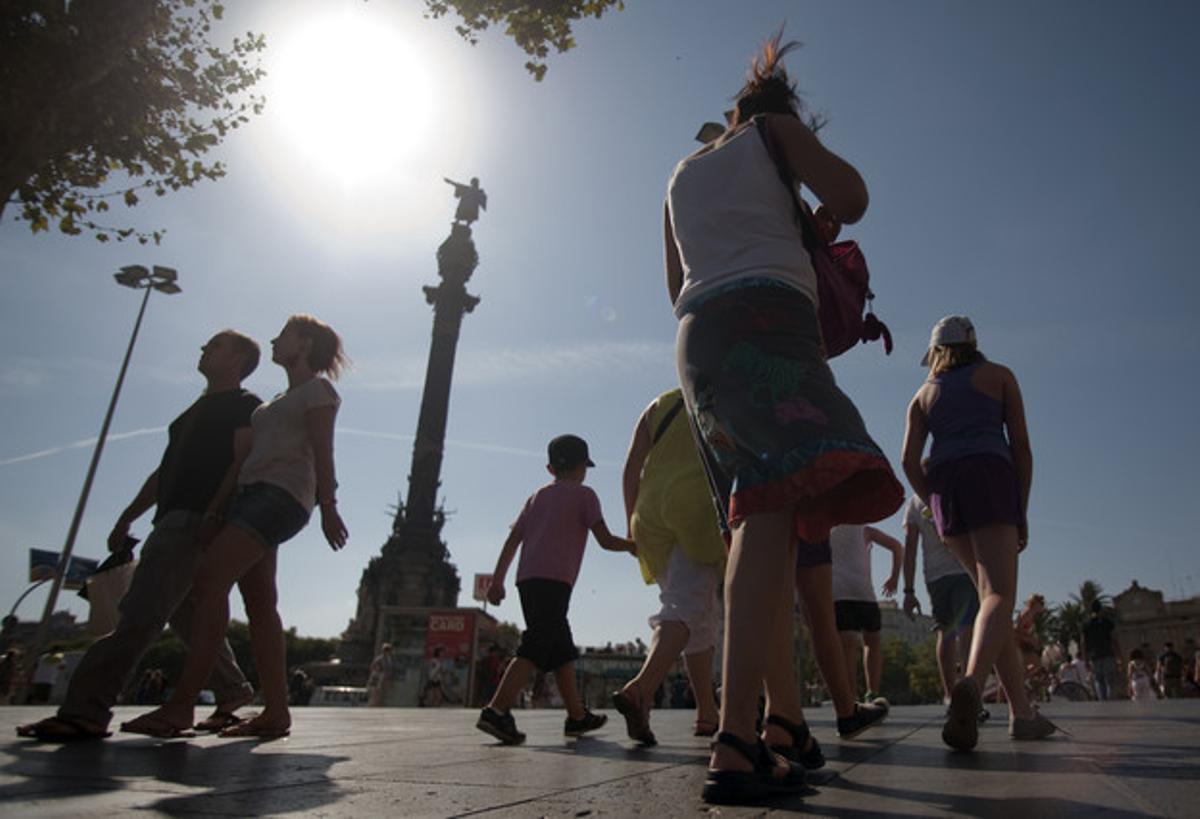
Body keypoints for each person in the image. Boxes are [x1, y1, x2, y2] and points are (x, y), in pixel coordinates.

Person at [665, 32, 904, 803]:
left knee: (754, 519)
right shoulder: (777, 131)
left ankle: (777, 723)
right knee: (770, 509)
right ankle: (738, 737)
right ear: (778, 112)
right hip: (768, 322)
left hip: (697, 341)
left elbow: (677, 281)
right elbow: (857, 195)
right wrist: (814, 213)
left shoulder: (681, 172)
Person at [17, 331, 261, 742]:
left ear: (238, 359)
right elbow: (164, 472)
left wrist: (215, 512)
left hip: (193, 520)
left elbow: (240, 464)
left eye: (215, 345)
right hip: (173, 518)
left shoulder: (245, 406)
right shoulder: (192, 414)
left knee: (140, 612)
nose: (203, 348)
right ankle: (233, 687)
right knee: (187, 615)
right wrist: (128, 516)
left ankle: (85, 710)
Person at [121, 314, 349, 739]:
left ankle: (181, 705)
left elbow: (323, 450)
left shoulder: (318, 391)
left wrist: (329, 505)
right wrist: (217, 509)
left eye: (283, 335)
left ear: (305, 344)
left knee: (208, 581)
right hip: (249, 499)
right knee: (260, 605)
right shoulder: (269, 405)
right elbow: (241, 461)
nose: (275, 340)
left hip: (280, 497)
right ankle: (276, 712)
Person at [901, 314, 1058, 751]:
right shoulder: (999, 375)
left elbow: (908, 461)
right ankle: (970, 684)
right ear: (973, 344)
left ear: (936, 352)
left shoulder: (922, 395)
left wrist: (931, 501)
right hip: (990, 475)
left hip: (946, 487)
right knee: (998, 595)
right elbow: (1021, 446)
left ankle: (1021, 713)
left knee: (992, 603)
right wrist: (1020, 508)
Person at [475, 434, 637, 745]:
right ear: (583, 467)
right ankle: (496, 710)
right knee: (536, 646)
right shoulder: (585, 495)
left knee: (561, 648)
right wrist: (634, 547)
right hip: (555, 582)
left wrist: (497, 580)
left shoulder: (536, 497)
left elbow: (513, 541)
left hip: (527, 581)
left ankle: (577, 717)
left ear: (550, 468)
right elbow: (604, 540)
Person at [612, 388, 725, 746]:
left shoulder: (657, 405)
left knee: (698, 616)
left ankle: (707, 713)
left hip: (650, 514)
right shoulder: (722, 398)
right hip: (695, 508)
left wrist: (631, 522)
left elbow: (631, 467)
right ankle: (642, 689)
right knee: (686, 609)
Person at [901, 494, 980, 707]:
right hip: (964, 568)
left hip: (935, 576)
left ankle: (950, 695)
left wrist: (908, 590)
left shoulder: (914, 503)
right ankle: (969, 693)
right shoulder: (952, 484)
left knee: (945, 631)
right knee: (966, 629)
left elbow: (910, 548)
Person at [830, 524, 902, 705]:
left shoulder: (862, 529)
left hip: (854, 594)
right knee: (861, 642)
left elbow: (896, 546)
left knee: (863, 642)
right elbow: (896, 546)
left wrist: (894, 577)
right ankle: (856, 695)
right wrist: (894, 577)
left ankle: (865, 693)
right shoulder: (861, 529)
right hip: (848, 593)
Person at [1080, 600, 1121, 700]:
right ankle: (1112, 702)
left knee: (1099, 680)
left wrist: (1085, 659)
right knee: (1110, 681)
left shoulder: (1086, 624)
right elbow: (1114, 639)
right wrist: (1119, 656)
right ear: (1101, 609)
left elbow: (1083, 643)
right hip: (1108, 654)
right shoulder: (1107, 622)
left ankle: (1104, 704)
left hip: (1094, 656)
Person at [366, 643, 395, 707]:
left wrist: (390, 680)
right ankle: (372, 707)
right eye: (386, 651)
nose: (388, 653)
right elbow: (373, 668)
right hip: (378, 680)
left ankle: (380, 707)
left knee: (383, 697)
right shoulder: (379, 659)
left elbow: (390, 671)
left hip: (385, 680)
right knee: (376, 696)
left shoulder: (389, 660)